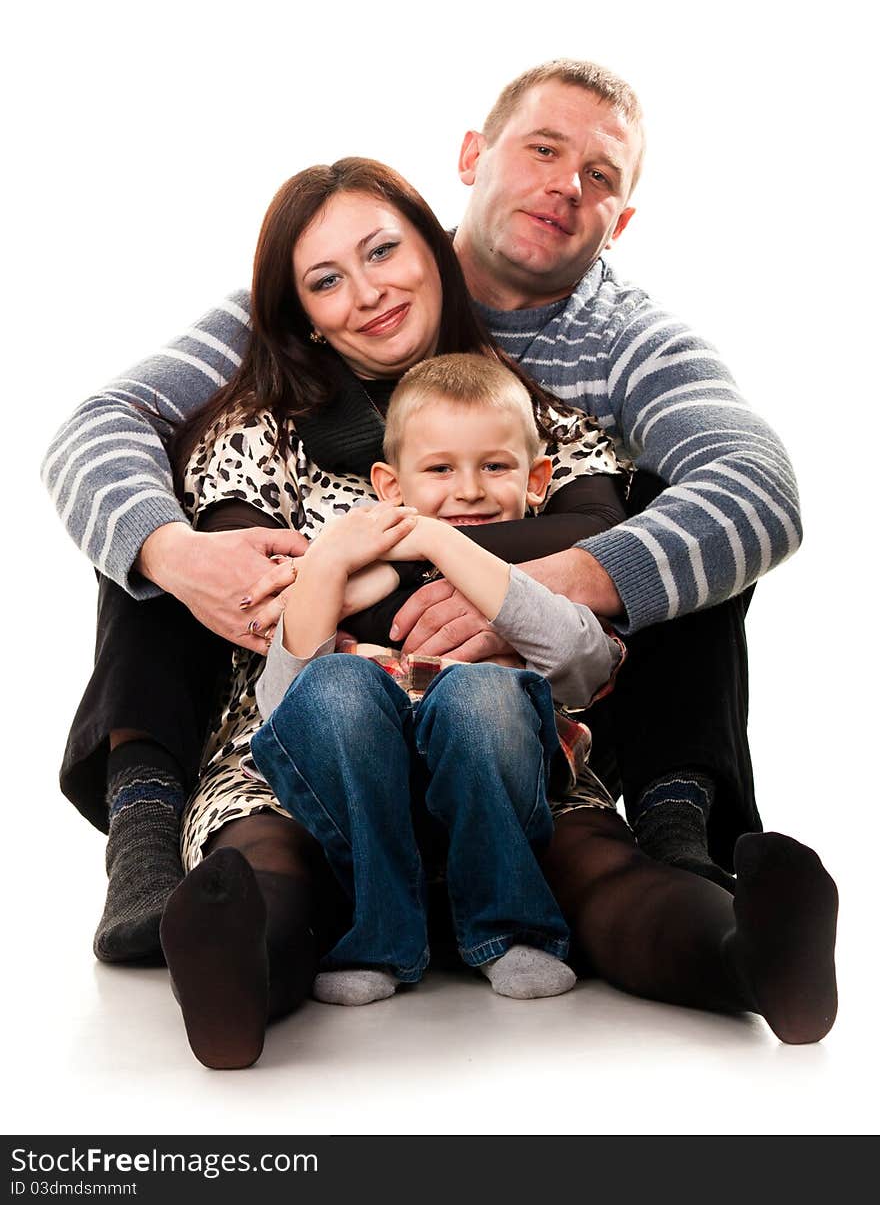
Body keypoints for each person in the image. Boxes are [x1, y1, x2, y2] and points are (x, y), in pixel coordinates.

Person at [43, 58, 795, 959]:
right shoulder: (318, 293)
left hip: (536, 692)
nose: (564, 185)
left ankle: (680, 834)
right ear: (474, 155)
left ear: (621, 219)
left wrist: (532, 588)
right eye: (543, 148)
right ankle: (146, 843)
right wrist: (172, 552)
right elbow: (105, 422)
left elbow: (759, 484)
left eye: (598, 176)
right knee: (141, 508)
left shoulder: (623, 345)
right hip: (316, 675)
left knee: (687, 517)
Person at [153, 166, 835, 1070]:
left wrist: (414, 561)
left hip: (505, 738)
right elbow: (268, 611)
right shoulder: (255, 427)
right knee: (273, 855)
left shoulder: (537, 411)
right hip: (313, 756)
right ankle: (234, 980)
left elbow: (610, 557)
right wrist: (326, 574)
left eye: (384, 251)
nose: (367, 292)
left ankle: (750, 960)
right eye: (326, 280)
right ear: (299, 309)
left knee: (597, 857)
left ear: (436, 250)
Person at [248, 353, 624, 1008]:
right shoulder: (353, 585)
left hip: (496, 787)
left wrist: (440, 541)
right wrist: (330, 558)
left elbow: (584, 663)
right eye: (441, 469)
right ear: (390, 487)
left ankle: (508, 930)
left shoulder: (534, 576)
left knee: (479, 693)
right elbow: (284, 708)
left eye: (496, 466)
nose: (470, 490)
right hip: (372, 801)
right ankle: (379, 938)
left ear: (538, 479)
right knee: (336, 684)